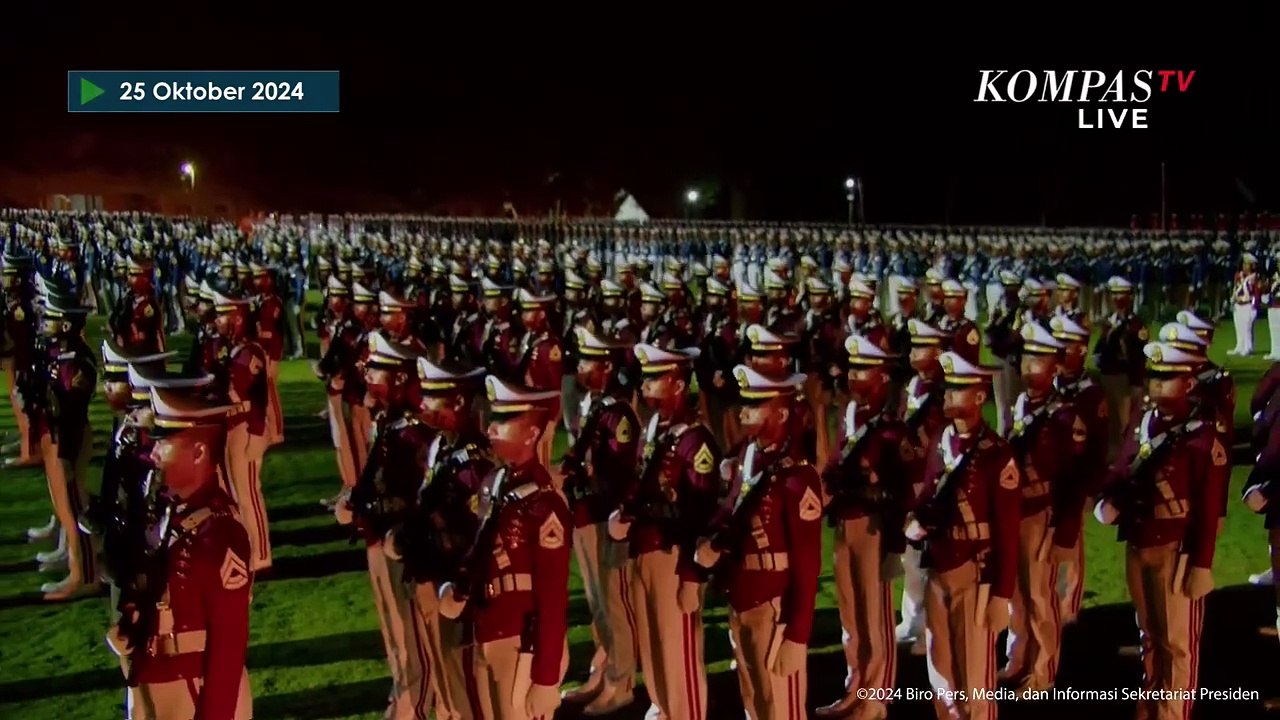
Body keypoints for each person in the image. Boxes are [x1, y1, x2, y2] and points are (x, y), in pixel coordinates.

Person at [1094, 340, 1229, 720]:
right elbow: (1123, 464)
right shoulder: (1144, 419)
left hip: (1175, 548)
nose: (1156, 385)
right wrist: (1109, 497)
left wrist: (1202, 563)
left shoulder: (1203, 436)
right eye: (1153, 377)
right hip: (1138, 540)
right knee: (1149, 635)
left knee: (1177, 643)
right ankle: (1150, 706)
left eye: (1166, 378)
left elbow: (1208, 508)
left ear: (1188, 383)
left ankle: (1173, 714)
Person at [114, 384, 252, 720]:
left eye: (164, 442)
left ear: (199, 452)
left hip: (194, 690)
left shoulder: (220, 534)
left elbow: (228, 647)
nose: (155, 452)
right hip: (153, 679)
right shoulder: (172, 511)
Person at [438, 376, 571, 720]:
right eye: (494, 417)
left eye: (504, 420)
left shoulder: (545, 506)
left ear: (531, 434)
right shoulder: (493, 485)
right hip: (486, 628)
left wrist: (545, 679)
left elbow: (553, 600)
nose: (492, 427)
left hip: (520, 643)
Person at [695, 364, 822, 720]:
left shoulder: (797, 477)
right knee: (755, 701)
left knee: (780, 707)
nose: (744, 411)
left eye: (755, 404)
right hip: (743, 593)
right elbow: (731, 508)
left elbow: (808, 564)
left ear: (781, 412)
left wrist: (797, 636)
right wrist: (709, 543)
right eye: (745, 402)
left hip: (774, 604)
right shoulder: (751, 459)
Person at [904, 350, 1019, 720]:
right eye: (947, 390)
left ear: (979, 397)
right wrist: (912, 523)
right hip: (938, 565)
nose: (948, 397)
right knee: (940, 666)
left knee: (975, 675)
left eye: (957, 391)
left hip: (975, 573)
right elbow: (926, 493)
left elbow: (1007, 533)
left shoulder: (996, 455)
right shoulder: (942, 440)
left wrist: (1001, 595)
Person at [607, 343, 719, 720]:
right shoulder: (657, 429)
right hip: (644, 547)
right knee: (654, 645)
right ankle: (662, 708)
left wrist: (692, 576)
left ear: (675, 383)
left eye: (655, 377)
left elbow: (701, 514)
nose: (646, 383)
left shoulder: (695, 440)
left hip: (674, 556)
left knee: (678, 651)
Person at [816, 335, 919, 720]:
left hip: (876, 527)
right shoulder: (853, 418)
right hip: (845, 524)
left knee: (874, 614)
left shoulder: (892, 430)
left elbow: (905, 487)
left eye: (863, 370)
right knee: (850, 614)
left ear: (881, 377)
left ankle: (876, 696)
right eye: (853, 368)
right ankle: (855, 686)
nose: (855, 377)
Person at [345, 330, 433, 720]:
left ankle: (415, 700)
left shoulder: (415, 430)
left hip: (400, 540)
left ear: (400, 377)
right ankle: (403, 690)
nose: (368, 373)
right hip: (377, 534)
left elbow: (419, 495)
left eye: (377, 369)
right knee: (391, 626)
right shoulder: (391, 421)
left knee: (410, 630)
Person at [402, 354, 490, 720]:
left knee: (464, 680)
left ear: (458, 402)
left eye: (433, 396)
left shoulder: (475, 464)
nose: (423, 403)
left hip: (457, 587)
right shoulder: (444, 446)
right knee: (445, 679)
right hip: (435, 577)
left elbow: (473, 536)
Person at [999, 322, 1086, 693]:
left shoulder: (1065, 415)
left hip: (1042, 513)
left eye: (1040, 360)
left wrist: (1063, 528)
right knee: (1016, 594)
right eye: (1028, 359)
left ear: (1054, 367)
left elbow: (1072, 479)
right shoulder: (1022, 404)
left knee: (1038, 593)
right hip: (1016, 511)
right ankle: (1017, 657)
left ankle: (1044, 668)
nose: (1031, 367)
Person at [559, 327, 641, 714]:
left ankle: (621, 681)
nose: (581, 366)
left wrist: (587, 477)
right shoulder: (594, 404)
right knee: (596, 601)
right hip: (584, 511)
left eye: (588, 360)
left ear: (606, 366)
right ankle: (604, 664)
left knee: (613, 603)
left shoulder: (618, 412)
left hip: (602, 516)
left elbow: (621, 473)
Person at [1047, 315, 1109, 624]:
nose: (1058, 353)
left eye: (1065, 347)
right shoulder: (1052, 385)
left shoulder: (1090, 393)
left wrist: (1090, 489)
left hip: (1075, 480)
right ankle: (1050, 599)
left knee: (1070, 544)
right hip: (1049, 481)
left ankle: (1068, 604)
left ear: (1082, 350)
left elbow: (1098, 447)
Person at [207, 288, 272, 572]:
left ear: (237, 317)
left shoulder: (250, 351)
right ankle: (247, 546)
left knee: (248, 493)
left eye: (223, 314)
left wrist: (257, 434)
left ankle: (261, 553)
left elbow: (258, 396)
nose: (218, 319)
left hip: (245, 426)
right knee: (234, 492)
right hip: (231, 425)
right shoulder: (228, 347)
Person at [1094, 277, 1147, 461]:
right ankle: (1114, 455)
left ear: (1130, 296)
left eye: (1121, 293)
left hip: (1128, 377)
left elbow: (1141, 352)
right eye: (1114, 294)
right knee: (1112, 421)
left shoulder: (1136, 323)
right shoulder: (1107, 323)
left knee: (1127, 421)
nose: (1117, 298)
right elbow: (1099, 352)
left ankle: (1125, 457)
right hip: (1110, 375)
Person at [1228, 252, 1261, 356]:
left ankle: (1248, 347)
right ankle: (1239, 346)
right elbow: (1235, 288)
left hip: (1248, 305)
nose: (1245, 266)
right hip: (1238, 305)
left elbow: (1256, 293)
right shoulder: (1239, 275)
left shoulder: (1254, 277)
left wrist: (1254, 305)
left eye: (1248, 264)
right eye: (1244, 263)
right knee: (1239, 326)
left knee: (1247, 327)